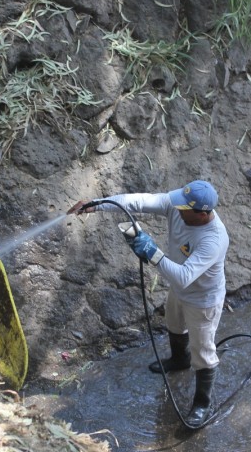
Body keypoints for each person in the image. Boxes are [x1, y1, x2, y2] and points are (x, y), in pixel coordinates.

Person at [67, 180, 229, 427]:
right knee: (174, 324)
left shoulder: (214, 239)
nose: (177, 209)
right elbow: (138, 201)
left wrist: (151, 251)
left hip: (202, 299)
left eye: (184, 209)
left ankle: (202, 403)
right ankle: (179, 360)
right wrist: (97, 205)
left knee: (204, 352)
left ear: (203, 213)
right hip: (179, 291)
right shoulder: (178, 206)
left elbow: (184, 277)